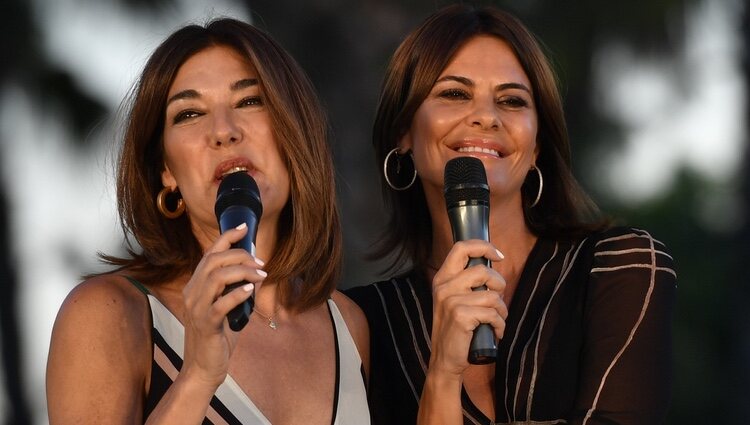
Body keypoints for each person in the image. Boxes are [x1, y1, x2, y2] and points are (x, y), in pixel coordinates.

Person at [346, 4, 676, 425]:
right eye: (454, 93)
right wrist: (443, 376)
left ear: (537, 145)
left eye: (512, 100)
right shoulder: (360, 324)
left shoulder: (623, 268)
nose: (487, 116)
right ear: (404, 132)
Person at [46, 18, 369, 424]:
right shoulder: (107, 313)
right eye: (189, 114)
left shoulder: (349, 325)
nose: (223, 131)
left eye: (250, 101)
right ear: (165, 170)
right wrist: (197, 376)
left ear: (294, 133)